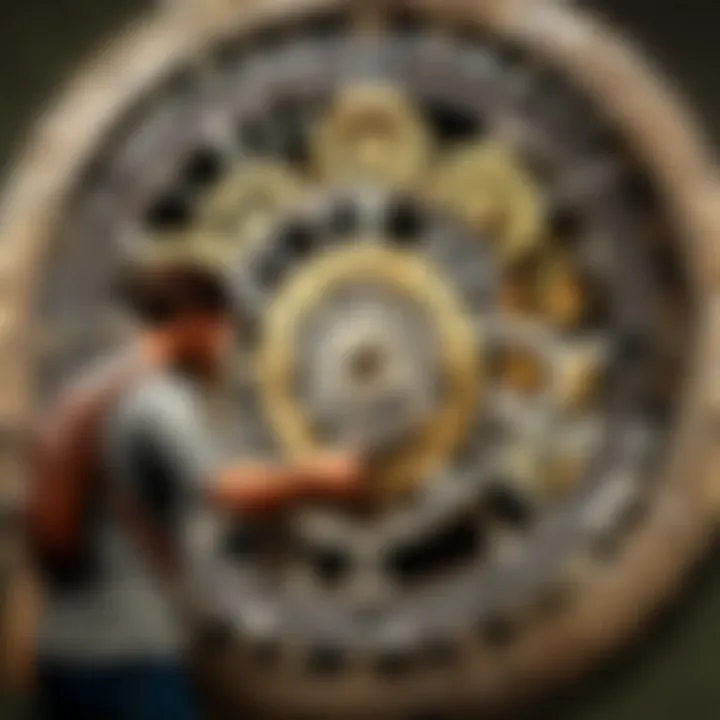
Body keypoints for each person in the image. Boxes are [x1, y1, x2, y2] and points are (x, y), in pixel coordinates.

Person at [26, 256, 364, 719]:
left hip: (60, 646)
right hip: (130, 653)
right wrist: (321, 477)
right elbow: (228, 490)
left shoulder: (87, 390)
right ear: (195, 323)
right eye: (222, 329)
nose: (224, 346)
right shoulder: (159, 398)